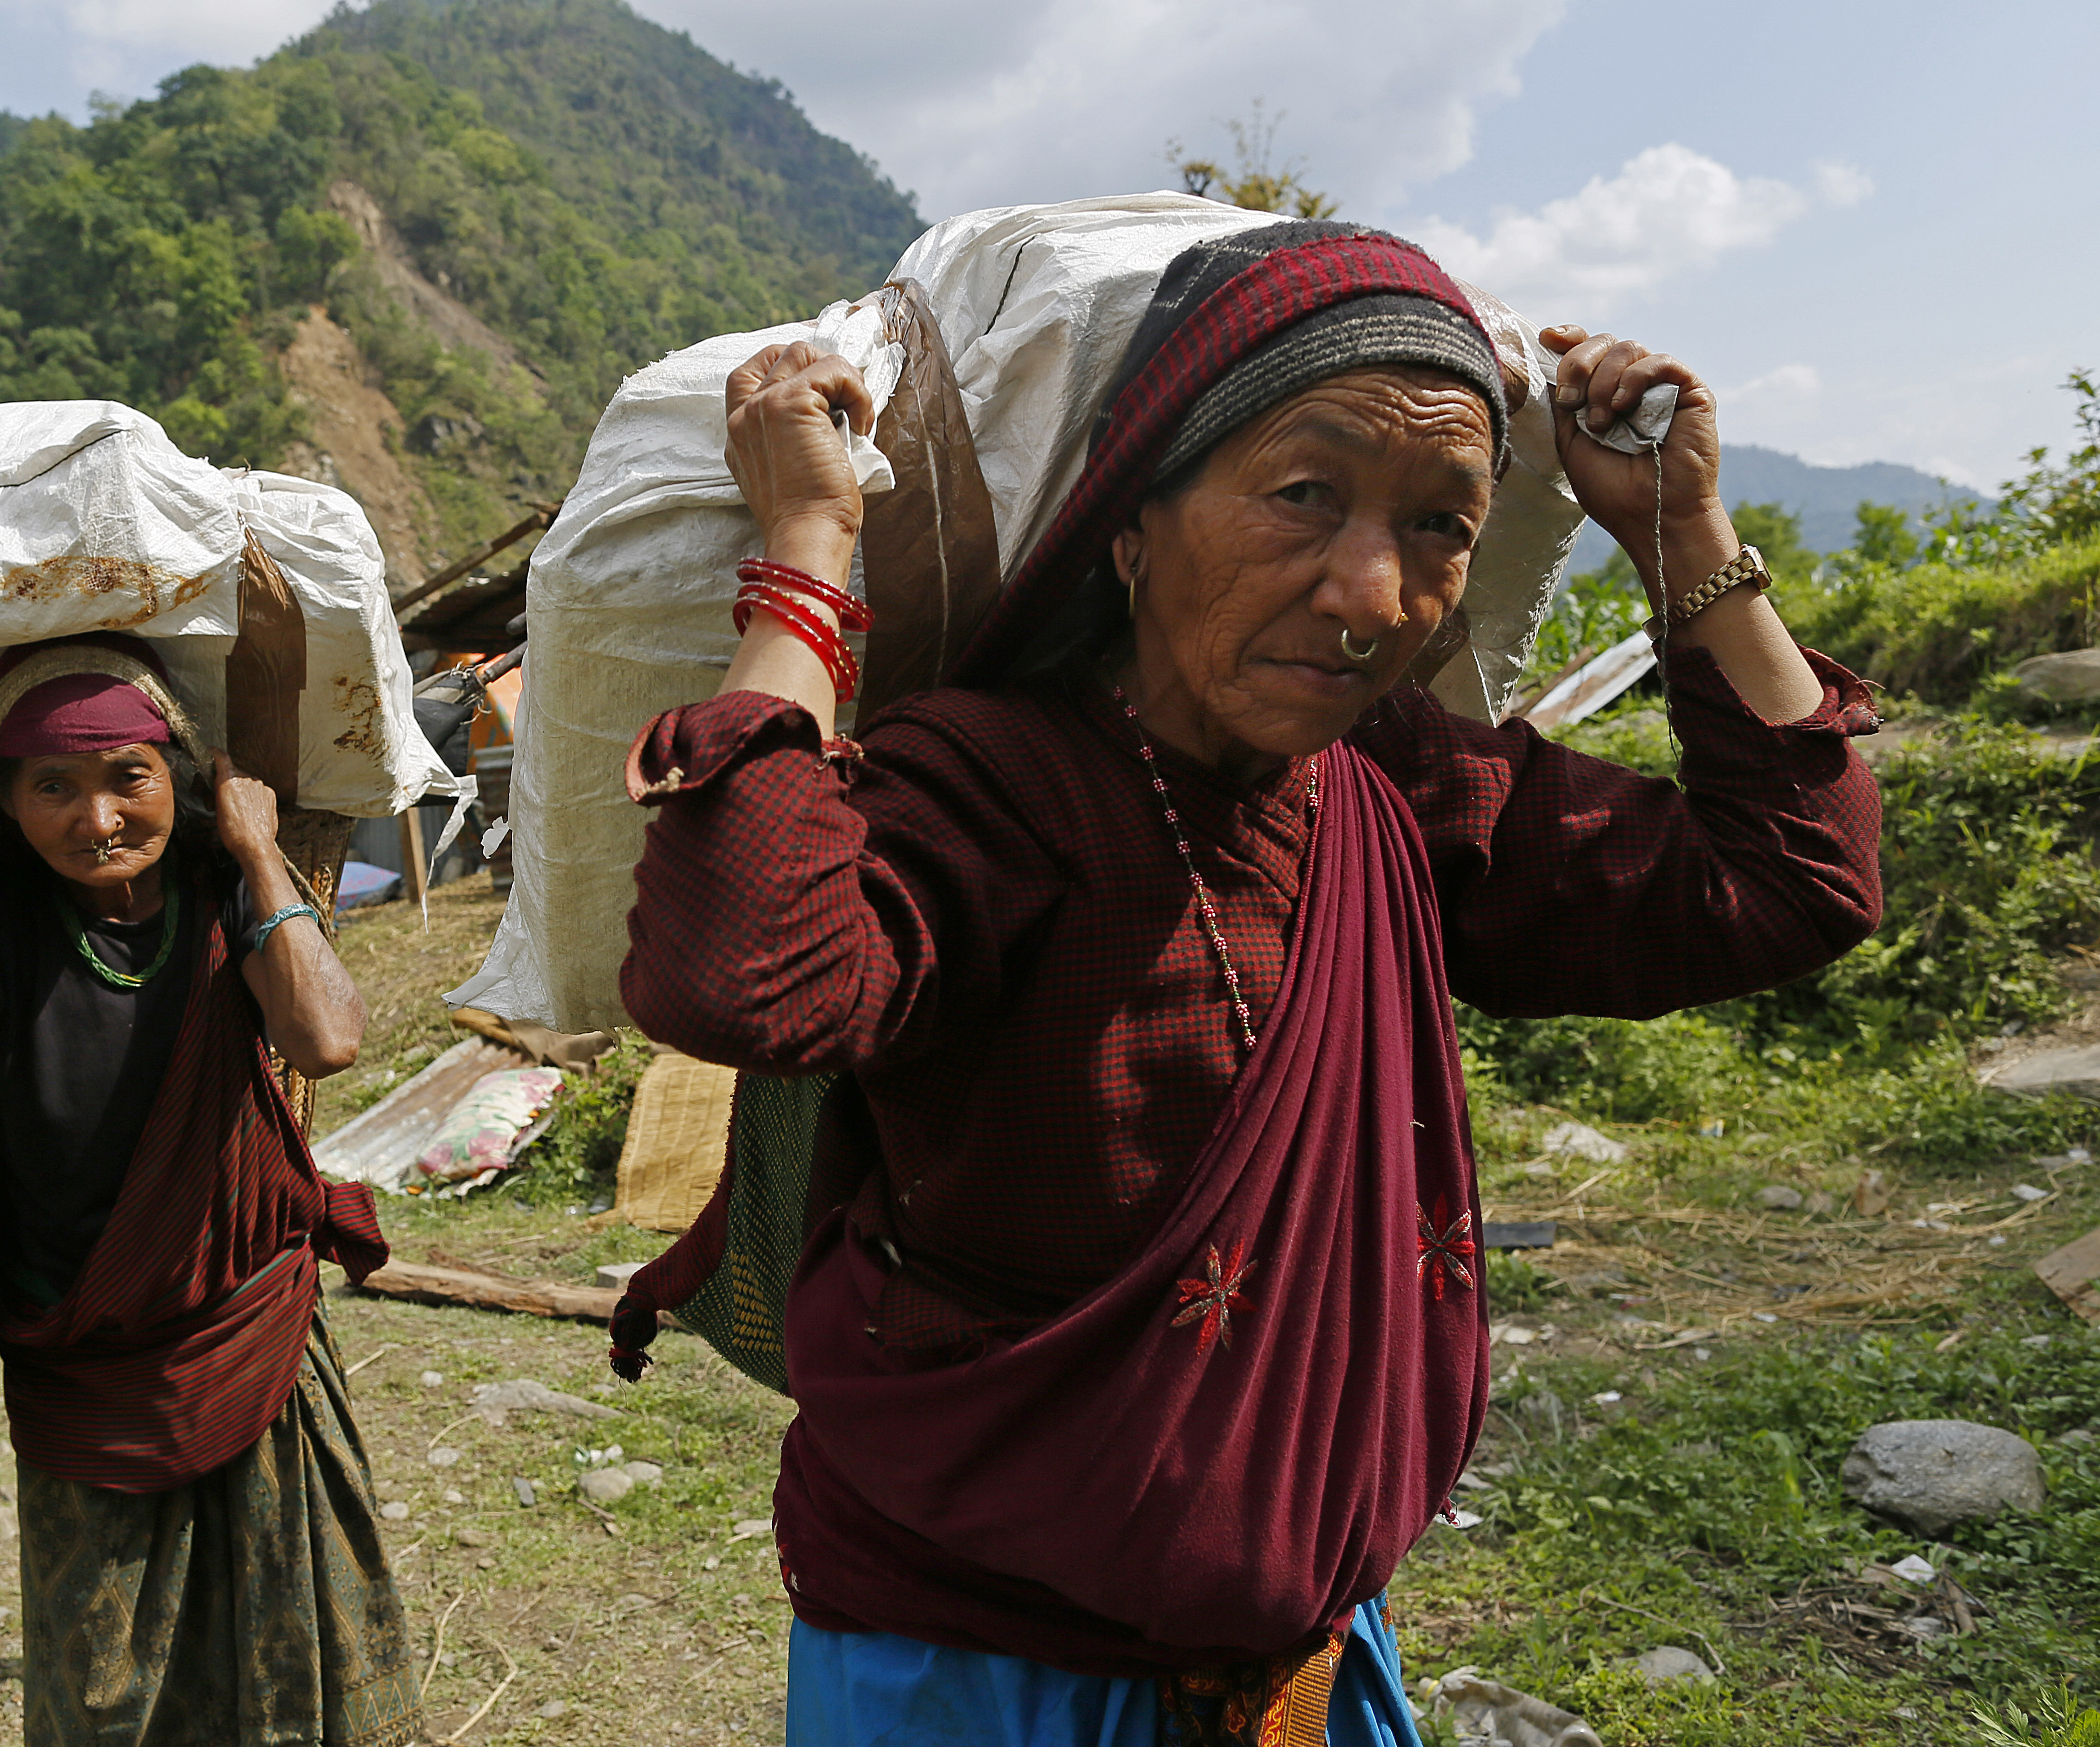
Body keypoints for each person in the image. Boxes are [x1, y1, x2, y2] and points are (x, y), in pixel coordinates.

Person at [609, 220, 1884, 1744]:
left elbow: (1792, 881)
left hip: (1308, 1666)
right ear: (1132, 527)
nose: (1370, 590)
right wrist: (807, 558)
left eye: (1438, 525)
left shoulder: (1389, 781)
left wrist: (1683, 532)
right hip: (980, 1674)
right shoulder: (999, 783)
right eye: (1302, 496)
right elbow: (745, 977)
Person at [0, 636, 421, 1747]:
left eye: (131, 776)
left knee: (300, 1649)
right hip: (89, 1363)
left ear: (180, 775)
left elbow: (327, 1038)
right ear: (4, 804)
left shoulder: (225, 895)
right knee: (106, 1685)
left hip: (251, 1330)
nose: (100, 818)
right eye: (54, 788)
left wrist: (259, 848)